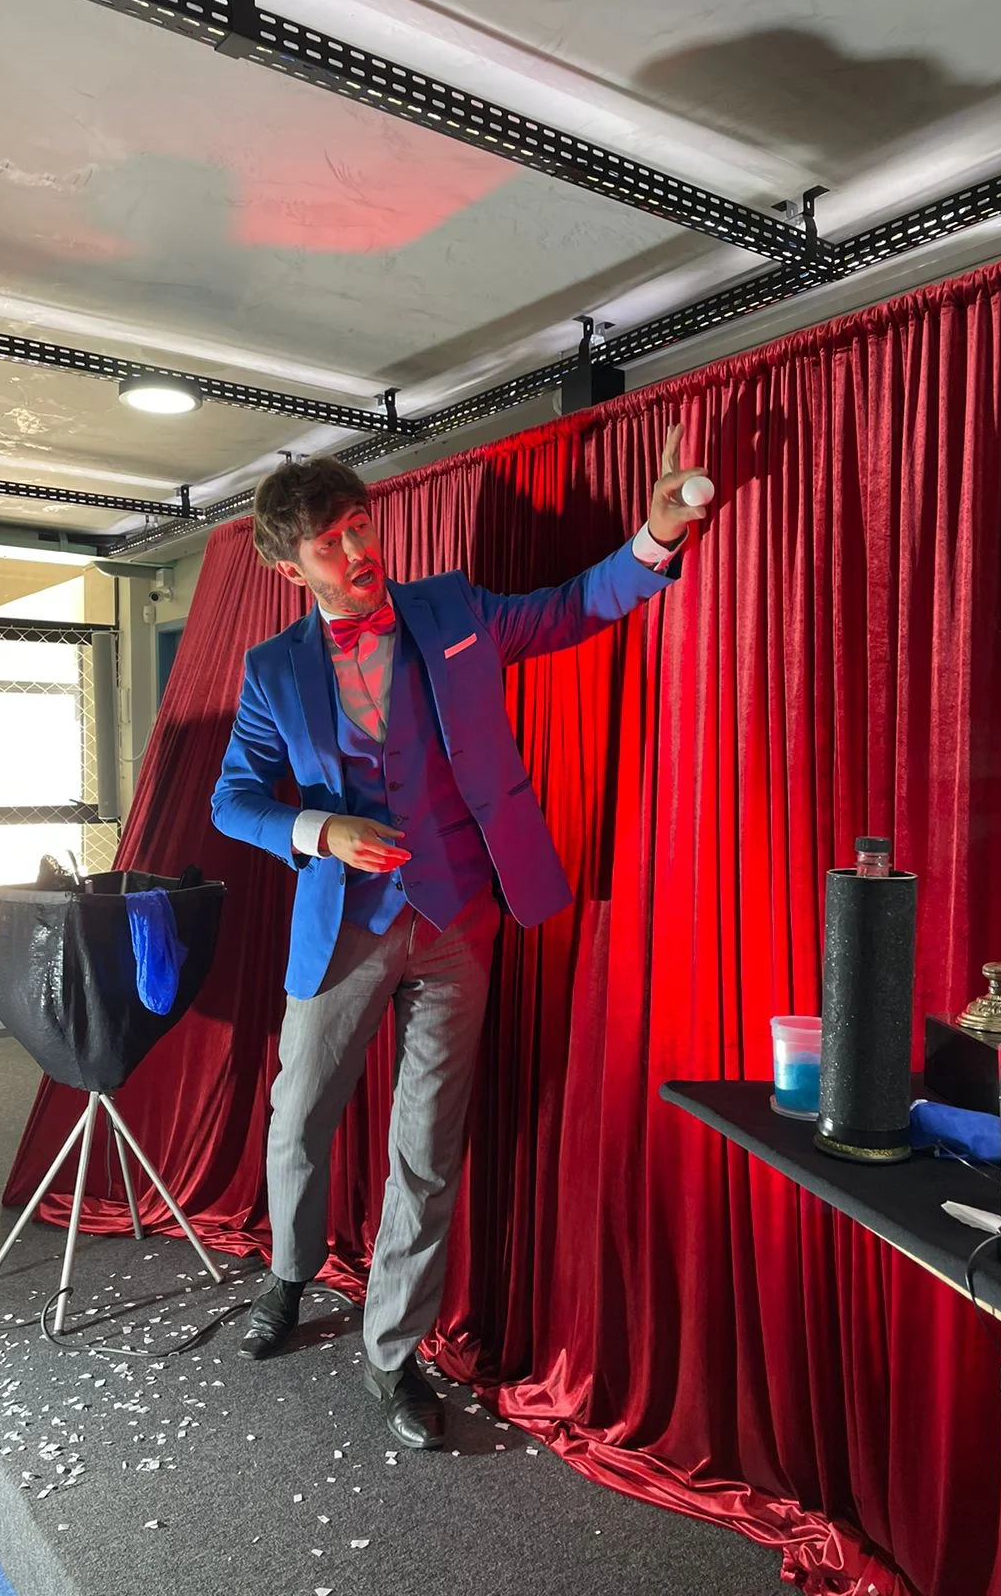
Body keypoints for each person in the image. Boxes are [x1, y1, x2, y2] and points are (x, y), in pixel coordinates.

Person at [211, 427, 708, 1449]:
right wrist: (319, 829)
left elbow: (572, 606)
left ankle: (392, 1352)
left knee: (428, 1146)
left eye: (360, 527)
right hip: (343, 926)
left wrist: (656, 539)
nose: (358, 552)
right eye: (330, 544)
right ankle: (291, 1274)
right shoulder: (271, 671)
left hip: (458, 916)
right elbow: (233, 798)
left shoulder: (451, 608)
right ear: (289, 568)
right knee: (297, 1116)